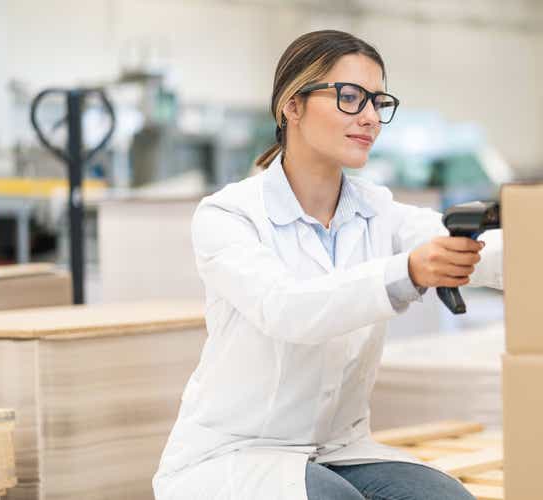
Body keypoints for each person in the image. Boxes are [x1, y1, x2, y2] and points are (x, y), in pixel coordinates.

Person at [153, 29, 503, 500]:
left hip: (337, 450)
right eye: (351, 97)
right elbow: (287, 308)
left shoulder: (377, 210)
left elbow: (460, 245)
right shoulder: (229, 215)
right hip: (235, 454)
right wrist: (411, 271)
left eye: (378, 102)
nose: (370, 119)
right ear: (291, 106)